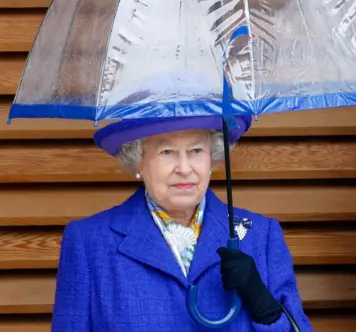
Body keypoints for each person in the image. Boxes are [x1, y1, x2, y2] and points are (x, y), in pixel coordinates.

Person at [51, 112, 313, 331]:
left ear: (212, 157)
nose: (185, 168)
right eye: (167, 152)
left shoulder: (260, 237)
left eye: (196, 150)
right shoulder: (89, 242)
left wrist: (264, 308)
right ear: (138, 159)